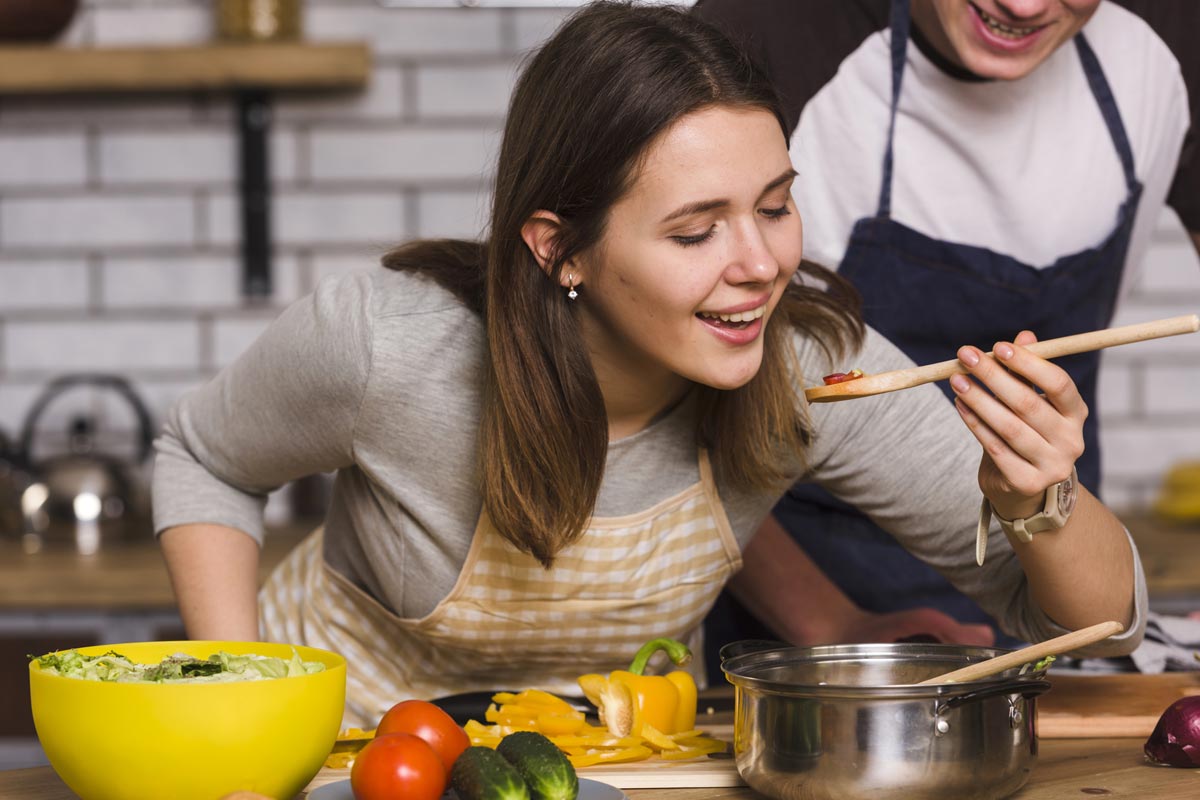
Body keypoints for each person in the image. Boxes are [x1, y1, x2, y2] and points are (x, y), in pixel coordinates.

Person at [152, 1, 1146, 728]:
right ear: (560, 248)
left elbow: (1099, 623)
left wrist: (1041, 492)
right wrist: (242, 709)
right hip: (340, 748)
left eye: (772, 205)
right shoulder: (388, 346)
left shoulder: (811, 372)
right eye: (694, 230)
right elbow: (205, 453)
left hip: (601, 764)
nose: (759, 265)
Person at [694, 0, 1199, 660]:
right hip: (805, 595)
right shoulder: (764, 31)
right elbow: (674, 447)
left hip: (1057, 556)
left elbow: (1103, 609)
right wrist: (828, 624)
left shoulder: (1172, 33)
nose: (1023, 5)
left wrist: (1058, 523)